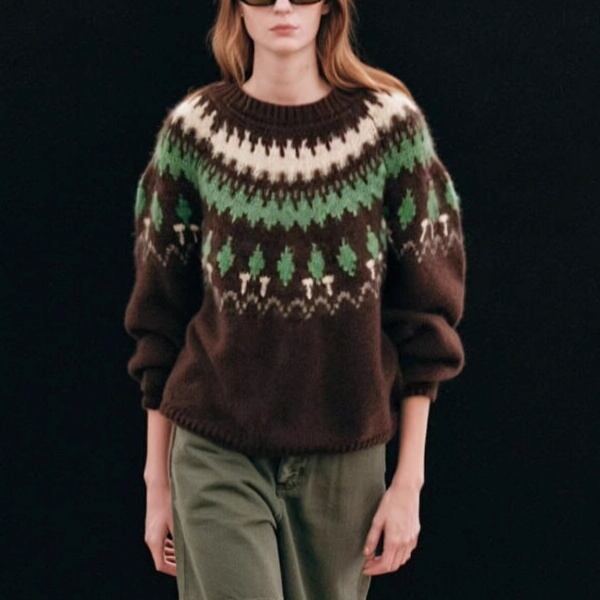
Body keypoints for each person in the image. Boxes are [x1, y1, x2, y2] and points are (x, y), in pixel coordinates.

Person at [123, 0, 467, 598]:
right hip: (215, 447)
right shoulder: (193, 133)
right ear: (236, 8)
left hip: (345, 458)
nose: (282, 5)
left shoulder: (390, 130)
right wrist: (157, 483)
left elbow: (426, 318)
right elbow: (160, 318)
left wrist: (409, 483)